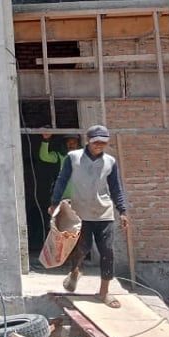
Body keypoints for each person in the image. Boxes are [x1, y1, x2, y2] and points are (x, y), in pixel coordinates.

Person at [48, 125, 130, 308]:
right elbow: (62, 180)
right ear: (88, 141)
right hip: (81, 212)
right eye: (96, 142)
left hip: (104, 213)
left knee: (107, 252)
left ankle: (104, 292)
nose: (100, 145)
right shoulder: (73, 158)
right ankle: (75, 271)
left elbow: (116, 188)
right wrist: (55, 202)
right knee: (81, 248)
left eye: (103, 142)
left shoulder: (110, 161)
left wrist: (122, 211)